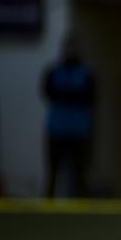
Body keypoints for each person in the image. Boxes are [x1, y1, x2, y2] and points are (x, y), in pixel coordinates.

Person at [42, 32, 96, 198]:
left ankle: (82, 207)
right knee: (53, 172)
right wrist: (72, 94)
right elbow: (48, 92)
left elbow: (90, 97)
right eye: (68, 48)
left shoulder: (86, 73)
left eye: (73, 48)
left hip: (78, 130)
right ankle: (49, 205)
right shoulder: (54, 71)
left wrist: (67, 95)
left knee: (80, 174)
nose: (70, 51)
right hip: (57, 129)